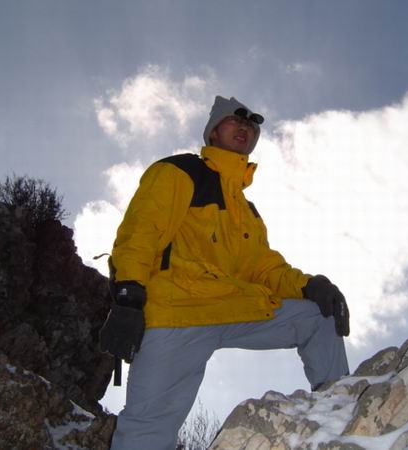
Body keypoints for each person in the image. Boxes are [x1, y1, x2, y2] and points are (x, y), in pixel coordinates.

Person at [99, 96, 350, 450]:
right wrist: (127, 298)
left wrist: (309, 285)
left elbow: (263, 267)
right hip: (177, 313)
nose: (245, 126)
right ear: (213, 132)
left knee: (319, 315)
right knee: (147, 430)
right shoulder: (179, 171)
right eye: (236, 119)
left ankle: (341, 415)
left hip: (232, 308)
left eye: (252, 124)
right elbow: (141, 233)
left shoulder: (247, 210)